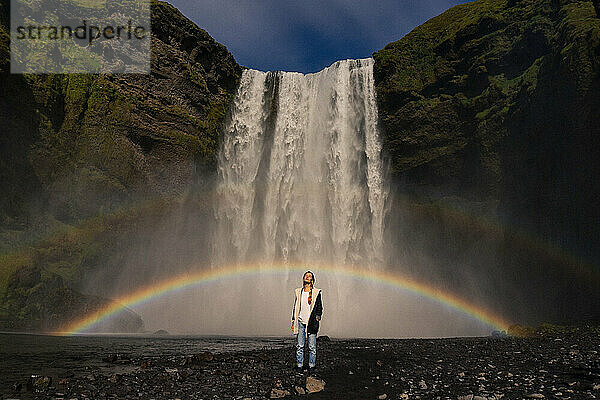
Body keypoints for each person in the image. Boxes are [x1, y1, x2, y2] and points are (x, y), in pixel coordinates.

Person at [290, 270, 323, 373]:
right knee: (300, 345)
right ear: (303, 278)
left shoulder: (316, 292)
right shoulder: (299, 291)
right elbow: (295, 307)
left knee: (312, 346)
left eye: (309, 276)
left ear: (312, 279)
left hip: (311, 322)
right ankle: (299, 366)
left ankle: (311, 366)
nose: (307, 277)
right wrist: (293, 321)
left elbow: (320, 307)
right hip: (300, 322)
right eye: (306, 275)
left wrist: (318, 317)